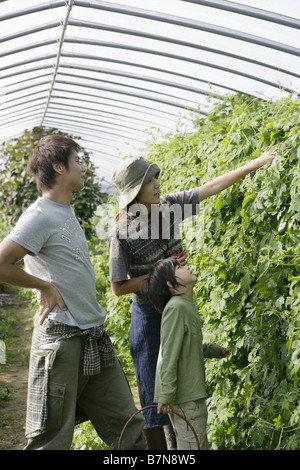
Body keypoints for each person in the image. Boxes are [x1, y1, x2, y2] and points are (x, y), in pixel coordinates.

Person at [108, 143, 277, 449]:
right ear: (134, 193)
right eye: (149, 182)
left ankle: (183, 446)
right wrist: (160, 275)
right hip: (148, 317)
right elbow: (118, 287)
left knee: (180, 384)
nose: (157, 183)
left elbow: (210, 187)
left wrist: (255, 163)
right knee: (154, 395)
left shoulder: (170, 206)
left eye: (155, 177)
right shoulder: (121, 233)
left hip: (176, 306)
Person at [0, 135, 146, 450]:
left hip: (92, 337)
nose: (82, 167)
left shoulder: (64, 210)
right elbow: (2, 263)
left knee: (130, 430)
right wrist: (44, 286)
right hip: (61, 343)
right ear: (58, 166)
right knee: (51, 441)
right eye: (77, 161)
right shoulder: (38, 216)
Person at [145, 258, 230, 450]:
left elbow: (186, 346)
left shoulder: (184, 305)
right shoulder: (177, 308)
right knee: (193, 446)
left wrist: (212, 350)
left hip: (187, 395)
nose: (187, 267)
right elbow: (168, 354)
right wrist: (166, 395)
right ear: (171, 284)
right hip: (185, 396)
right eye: (179, 267)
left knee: (193, 444)